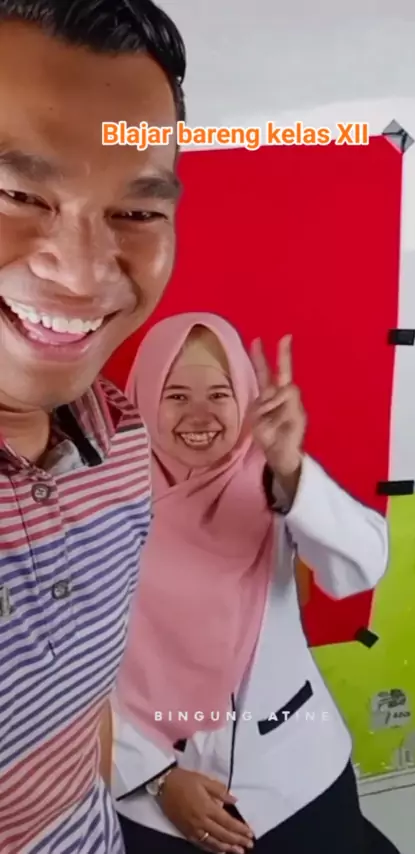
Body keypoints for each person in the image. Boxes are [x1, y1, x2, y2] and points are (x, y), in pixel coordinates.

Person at [0, 1, 186, 852]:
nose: (80, 275)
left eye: (137, 213)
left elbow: (86, 708)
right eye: (15, 193)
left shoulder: (120, 438)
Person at [110, 312, 400, 854]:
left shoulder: (273, 481)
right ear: (144, 396)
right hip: (151, 791)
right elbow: (69, 669)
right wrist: (155, 777)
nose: (200, 415)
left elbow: (361, 568)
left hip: (292, 771)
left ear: (244, 397)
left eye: (219, 394)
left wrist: (290, 465)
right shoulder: (102, 501)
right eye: (176, 395)